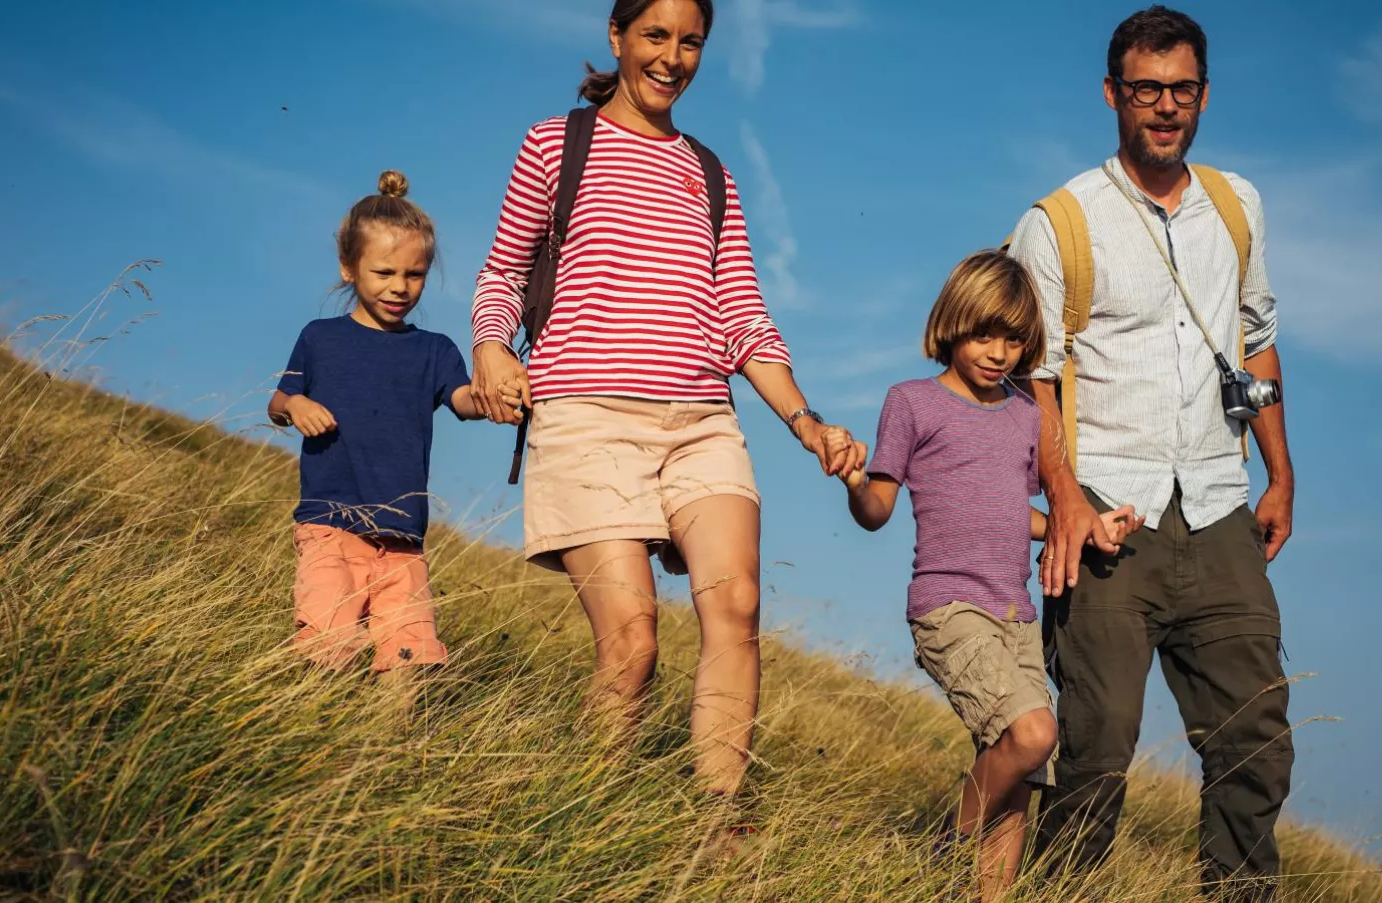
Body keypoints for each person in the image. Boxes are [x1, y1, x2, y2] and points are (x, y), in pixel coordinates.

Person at [467, 0, 865, 804]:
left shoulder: (712, 173)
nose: (672, 57)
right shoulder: (557, 144)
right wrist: (492, 349)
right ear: (616, 37)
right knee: (632, 642)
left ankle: (718, 829)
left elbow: (744, 318)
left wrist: (807, 423)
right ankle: (587, 823)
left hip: (701, 425)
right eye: (655, 36)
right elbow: (502, 275)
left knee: (738, 608)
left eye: (691, 41)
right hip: (585, 414)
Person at [1006, 7, 1297, 899]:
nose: (1165, 108)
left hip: (1219, 506)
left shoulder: (1237, 205)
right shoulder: (1057, 223)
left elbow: (1257, 339)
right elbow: (1035, 381)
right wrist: (1066, 505)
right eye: (1146, 90)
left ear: (1204, 94)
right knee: (1095, 750)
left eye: (1182, 90)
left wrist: (1282, 473)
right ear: (1112, 95)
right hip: (1109, 518)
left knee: (1257, 738)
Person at [840, 250, 1142, 903]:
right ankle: (945, 848)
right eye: (983, 334)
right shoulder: (911, 403)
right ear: (952, 324)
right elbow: (876, 511)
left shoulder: (1026, 414)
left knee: (1021, 771)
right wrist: (855, 478)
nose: (998, 352)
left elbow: (1015, 514)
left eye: (1013, 339)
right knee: (1034, 732)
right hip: (949, 607)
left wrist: (1091, 528)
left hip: (1017, 617)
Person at [269, 170, 480, 688]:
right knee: (327, 644)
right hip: (329, 525)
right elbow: (277, 400)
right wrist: (295, 405)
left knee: (408, 658)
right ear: (348, 268)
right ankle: (310, 743)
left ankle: (391, 757)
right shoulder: (320, 338)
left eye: (415, 275)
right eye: (384, 272)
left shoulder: (435, 351)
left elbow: (465, 401)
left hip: (403, 537)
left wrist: (502, 393)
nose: (399, 287)